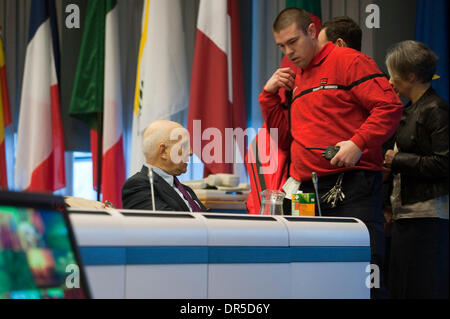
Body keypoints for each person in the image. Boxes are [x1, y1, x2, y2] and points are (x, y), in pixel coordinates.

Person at [259, 8, 403, 298]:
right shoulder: (295, 77)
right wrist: (269, 96)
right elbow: (287, 139)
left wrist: (357, 142)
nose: (288, 52)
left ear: (312, 31)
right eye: (281, 47)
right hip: (307, 193)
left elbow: (390, 107)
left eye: (293, 42)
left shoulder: (349, 61)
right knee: (317, 275)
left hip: (354, 187)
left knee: (363, 273)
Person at [383, 40, 449, 299]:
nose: (389, 81)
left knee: (422, 288)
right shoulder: (409, 111)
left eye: (393, 75)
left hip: (427, 217)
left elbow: (444, 163)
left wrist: (396, 160)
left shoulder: (436, 110)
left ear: (410, 76)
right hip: (405, 215)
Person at [122, 120, 207, 212]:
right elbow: (169, 223)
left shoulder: (187, 190)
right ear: (163, 151)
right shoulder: (138, 186)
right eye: (184, 145)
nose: (191, 152)